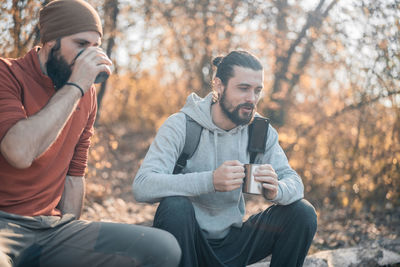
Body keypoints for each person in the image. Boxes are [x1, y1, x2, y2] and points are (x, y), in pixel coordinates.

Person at [0, 1, 181, 266]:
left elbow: (75, 176)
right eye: (81, 45)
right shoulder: (7, 74)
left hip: (50, 230)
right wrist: (76, 85)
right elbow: (19, 152)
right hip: (3, 227)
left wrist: (70, 238)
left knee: (163, 248)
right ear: (50, 41)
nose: (89, 56)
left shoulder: (87, 95)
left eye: (95, 47)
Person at [133, 50, 317, 267]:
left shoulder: (259, 131)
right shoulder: (181, 125)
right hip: (187, 240)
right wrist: (210, 180)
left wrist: (277, 189)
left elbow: (295, 183)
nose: (252, 99)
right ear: (219, 85)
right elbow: (142, 185)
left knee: (302, 213)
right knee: (174, 207)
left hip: (235, 242)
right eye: (243, 88)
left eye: (257, 90)